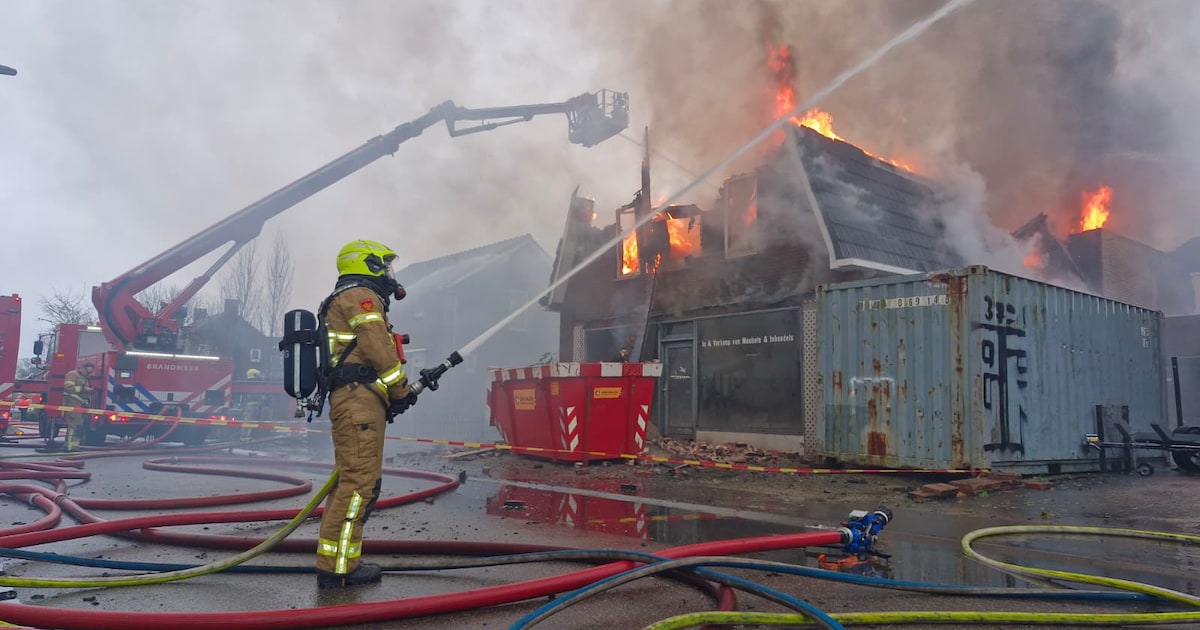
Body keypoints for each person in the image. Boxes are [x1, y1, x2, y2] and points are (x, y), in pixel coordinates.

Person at [314, 239, 418, 589]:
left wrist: (389, 395)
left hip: (359, 397)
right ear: (367, 263)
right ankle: (338, 570)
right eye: (385, 264)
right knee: (360, 484)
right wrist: (400, 389)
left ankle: (338, 561)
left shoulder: (347, 297)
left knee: (353, 481)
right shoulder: (360, 296)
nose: (390, 273)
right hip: (358, 398)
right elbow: (377, 347)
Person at [43, 362, 94, 452]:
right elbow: (68, 388)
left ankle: (72, 446)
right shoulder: (72, 375)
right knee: (75, 425)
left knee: (77, 425)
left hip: (79, 403)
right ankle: (71, 447)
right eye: (87, 371)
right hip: (72, 403)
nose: (88, 373)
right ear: (82, 368)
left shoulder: (84, 377)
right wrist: (84, 389)